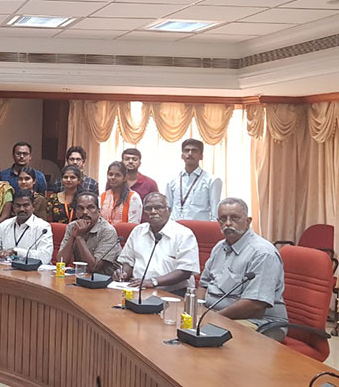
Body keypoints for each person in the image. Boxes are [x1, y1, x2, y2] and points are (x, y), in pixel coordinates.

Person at [200, 198, 288, 341]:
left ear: (248, 221)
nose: (228, 223)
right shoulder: (219, 247)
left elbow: (255, 304)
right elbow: (203, 285)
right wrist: (197, 312)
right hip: (217, 315)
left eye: (235, 218)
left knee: (208, 337)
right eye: (223, 219)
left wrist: (212, 318)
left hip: (259, 321)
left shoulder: (262, 253)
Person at [116, 193, 200, 297]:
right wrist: (123, 273)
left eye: (158, 207)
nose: (153, 212)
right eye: (148, 208)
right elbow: (128, 262)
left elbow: (185, 271)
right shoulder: (138, 231)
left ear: (169, 210)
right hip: (139, 289)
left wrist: (153, 282)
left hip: (173, 292)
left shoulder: (184, 234)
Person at [0, 189, 53, 265]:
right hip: (6, 270)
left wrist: (16, 252)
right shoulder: (5, 225)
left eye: (26, 205)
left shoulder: (43, 227)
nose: (22, 209)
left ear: (33, 206)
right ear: (13, 207)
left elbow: (45, 257)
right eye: (18, 206)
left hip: (32, 271)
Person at [56, 192, 121, 275]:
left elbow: (94, 267)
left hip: (105, 278)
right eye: (80, 208)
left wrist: (79, 237)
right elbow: (61, 261)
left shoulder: (107, 231)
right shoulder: (72, 226)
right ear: (76, 212)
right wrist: (73, 236)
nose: (85, 212)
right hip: (81, 276)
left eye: (90, 208)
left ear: (99, 211)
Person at [165, 138, 222, 221]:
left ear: (201, 156)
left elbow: (215, 213)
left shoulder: (212, 180)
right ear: (182, 156)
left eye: (194, 151)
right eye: (187, 150)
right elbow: (167, 209)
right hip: (175, 226)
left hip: (199, 227)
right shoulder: (172, 181)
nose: (190, 153)